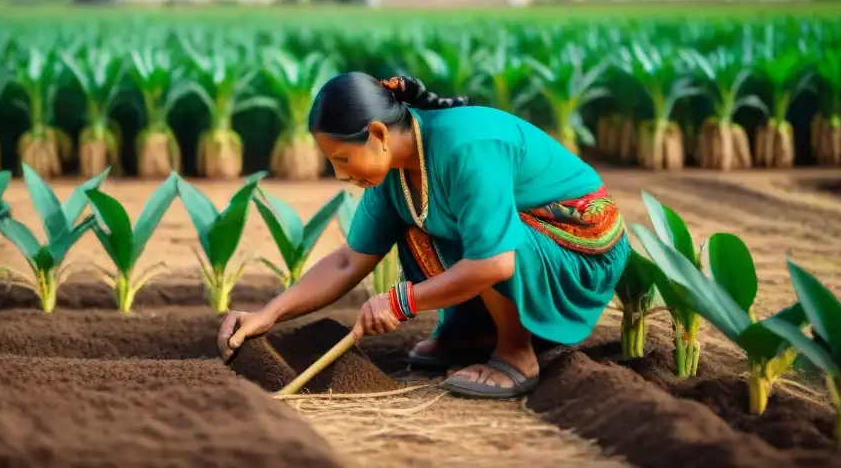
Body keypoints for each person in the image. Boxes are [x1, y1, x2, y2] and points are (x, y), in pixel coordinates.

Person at [217, 72, 630, 399]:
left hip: (580, 242)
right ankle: (473, 333)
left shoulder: (465, 147)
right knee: (423, 228)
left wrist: (401, 301)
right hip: (525, 243)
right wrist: (268, 313)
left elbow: (495, 261)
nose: (342, 174)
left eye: (343, 158)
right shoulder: (391, 178)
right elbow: (348, 261)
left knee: (474, 239)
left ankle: (516, 355)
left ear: (378, 134)